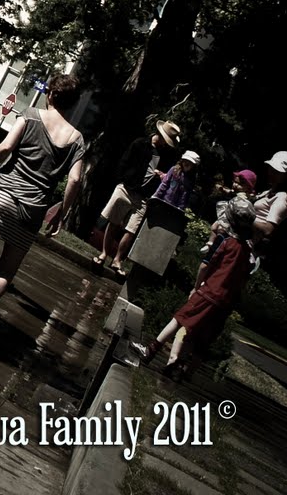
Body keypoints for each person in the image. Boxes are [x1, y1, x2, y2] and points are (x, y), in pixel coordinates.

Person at [0, 73, 86, 340]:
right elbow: (76, 179)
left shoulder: (31, 114)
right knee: (6, 271)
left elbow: (7, 147)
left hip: (1, 197)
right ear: (73, 103)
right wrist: (61, 214)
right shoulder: (77, 139)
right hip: (32, 210)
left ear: (52, 95)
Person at [134, 198, 256, 378]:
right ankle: (179, 366)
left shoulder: (225, 242)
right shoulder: (247, 253)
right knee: (198, 334)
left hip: (209, 292)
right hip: (224, 302)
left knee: (179, 319)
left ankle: (150, 351)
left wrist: (196, 287)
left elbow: (205, 266)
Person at [94, 119, 182, 275]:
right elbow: (125, 161)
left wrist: (159, 177)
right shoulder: (140, 144)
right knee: (113, 221)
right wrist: (123, 179)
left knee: (132, 229)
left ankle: (117, 260)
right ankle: (104, 254)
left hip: (144, 196)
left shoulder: (166, 155)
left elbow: (165, 175)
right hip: (127, 188)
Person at [252, 151, 287, 255]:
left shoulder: (282, 197)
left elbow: (268, 230)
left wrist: (244, 216)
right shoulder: (270, 191)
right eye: (271, 168)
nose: (271, 172)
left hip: (251, 245)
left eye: (277, 171)